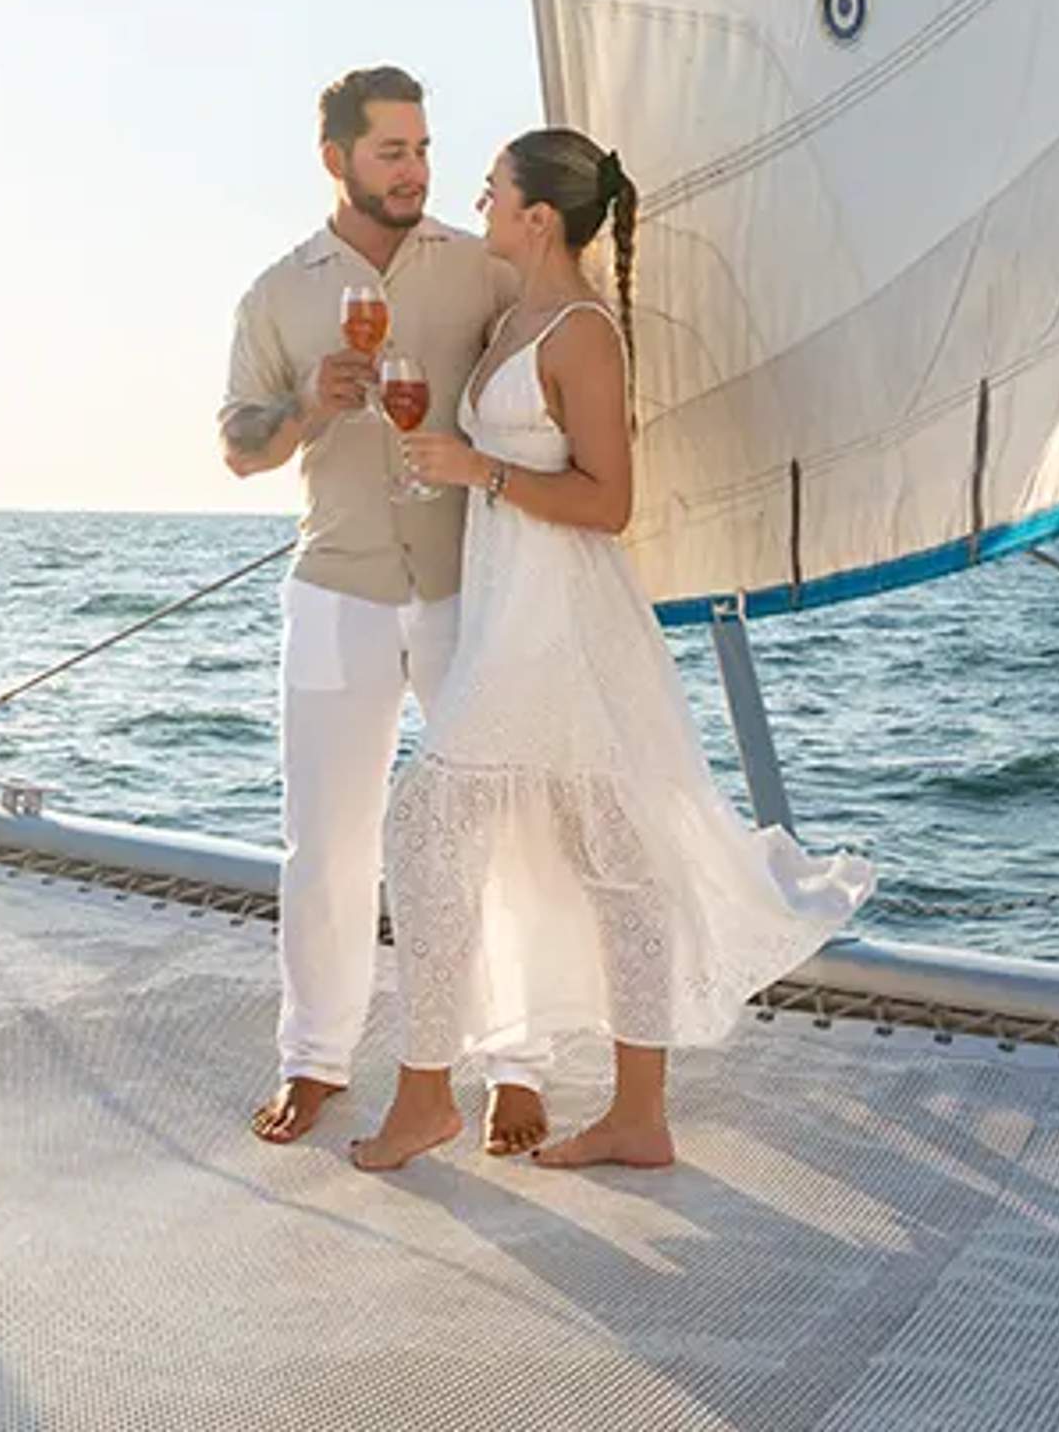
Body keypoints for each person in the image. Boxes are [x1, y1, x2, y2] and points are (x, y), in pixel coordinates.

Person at [355, 127, 871, 1172]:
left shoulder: (582, 331)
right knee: (613, 860)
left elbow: (610, 502)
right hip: (512, 608)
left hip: (557, 619)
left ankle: (427, 1097)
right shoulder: (516, 318)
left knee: (428, 825)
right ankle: (637, 1115)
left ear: (540, 217)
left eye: (494, 190)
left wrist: (477, 470)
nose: (481, 203)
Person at [219, 66, 550, 1152]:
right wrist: (306, 405)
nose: (415, 172)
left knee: (495, 832)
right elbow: (239, 448)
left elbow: (551, 363)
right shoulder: (278, 292)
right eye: (392, 153)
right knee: (326, 841)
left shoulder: (480, 269)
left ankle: (514, 1063)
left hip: (465, 587)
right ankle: (315, 1059)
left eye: (423, 150)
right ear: (337, 160)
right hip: (336, 593)